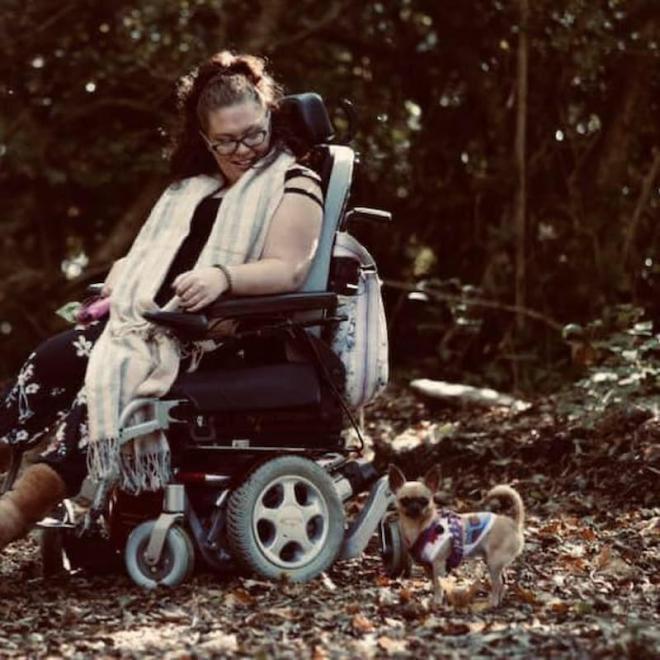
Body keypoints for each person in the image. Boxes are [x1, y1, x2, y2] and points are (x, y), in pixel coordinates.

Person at [0, 51, 324, 551]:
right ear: (205, 140)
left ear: (270, 119)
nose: (245, 150)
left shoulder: (294, 181)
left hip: (217, 335)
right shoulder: (190, 190)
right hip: (146, 320)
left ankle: (13, 513)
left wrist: (224, 277)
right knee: (51, 360)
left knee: (102, 396)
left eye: (254, 134)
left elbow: (290, 267)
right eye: (227, 141)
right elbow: (159, 255)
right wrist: (126, 274)